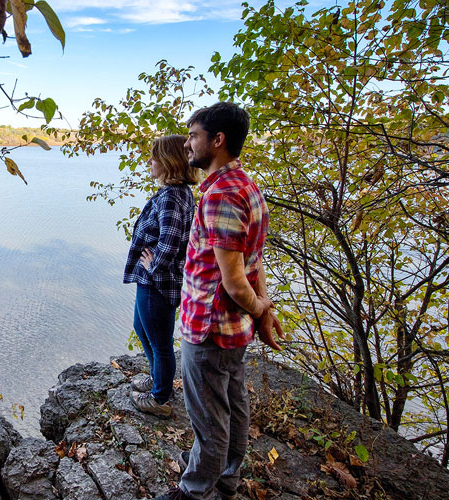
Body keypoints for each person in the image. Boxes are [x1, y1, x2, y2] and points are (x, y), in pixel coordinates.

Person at [157, 102, 283, 500]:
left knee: (209, 420)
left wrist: (261, 308)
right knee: (233, 404)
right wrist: (262, 311)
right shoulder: (247, 187)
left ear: (218, 140)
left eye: (193, 136)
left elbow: (233, 282)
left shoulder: (221, 197)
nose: (188, 144)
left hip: (209, 328)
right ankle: (227, 478)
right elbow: (254, 261)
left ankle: (195, 491)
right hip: (231, 329)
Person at [123, 134, 199, 417]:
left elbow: (171, 239)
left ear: (168, 162)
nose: (149, 162)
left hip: (157, 282)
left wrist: (153, 265)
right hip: (153, 280)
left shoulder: (171, 196)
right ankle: (159, 380)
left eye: (154, 157)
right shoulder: (176, 193)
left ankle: (160, 398)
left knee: (159, 340)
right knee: (143, 329)